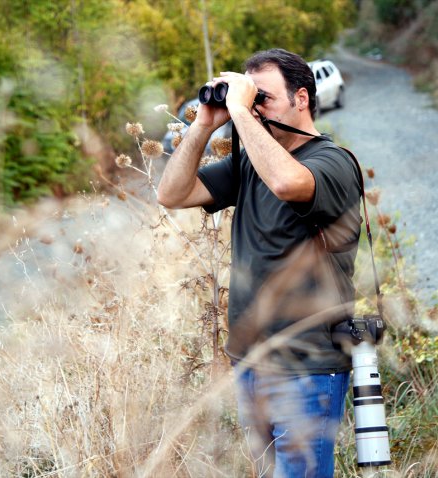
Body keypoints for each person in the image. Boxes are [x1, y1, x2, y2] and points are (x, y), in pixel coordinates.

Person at [156, 48, 362, 477]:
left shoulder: (334, 163)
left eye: (261, 97)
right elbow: (172, 194)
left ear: (301, 99)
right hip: (250, 362)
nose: (252, 108)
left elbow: (288, 182)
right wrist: (204, 124)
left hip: (307, 367)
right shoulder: (249, 162)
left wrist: (241, 113)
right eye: (250, 99)